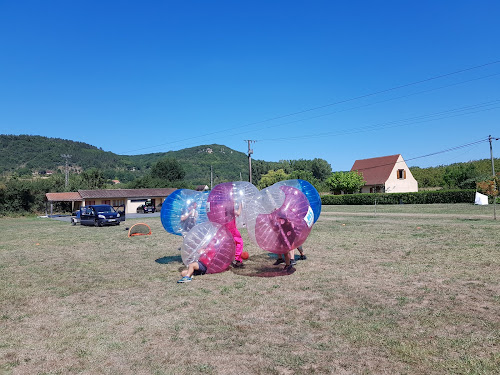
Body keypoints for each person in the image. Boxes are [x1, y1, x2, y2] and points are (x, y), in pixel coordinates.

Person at [225, 202, 244, 268]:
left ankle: (231, 259)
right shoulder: (230, 208)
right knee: (239, 242)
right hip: (232, 228)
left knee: (231, 244)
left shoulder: (225, 209)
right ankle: (237, 260)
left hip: (228, 227)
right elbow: (238, 213)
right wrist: (240, 206)